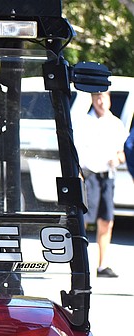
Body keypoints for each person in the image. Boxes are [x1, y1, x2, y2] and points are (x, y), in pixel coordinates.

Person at [73, 90, 128, 278]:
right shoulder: (84, 122)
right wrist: (78, 175)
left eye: (103, 97)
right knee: (84, 221)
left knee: (107, 221)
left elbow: (123, 151)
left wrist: (118, 159)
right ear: (92, 99)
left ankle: (102, 265)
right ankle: (80, 265)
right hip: (89, 175)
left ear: (109, 99)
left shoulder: (116, 124)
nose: (100, 101)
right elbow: (76, 153)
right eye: (97, 97)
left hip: (107, 176)